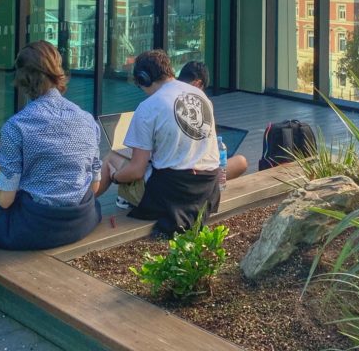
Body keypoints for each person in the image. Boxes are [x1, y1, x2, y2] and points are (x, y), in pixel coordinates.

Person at [0, 40, 102, 250]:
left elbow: (5, 200)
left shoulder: (16, 127)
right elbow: (94, 185)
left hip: (35, 229)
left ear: (23, 79)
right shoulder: (87, 119)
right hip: (80, 222)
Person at [97, 49, 247, 235]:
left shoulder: (148, 107)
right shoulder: (201, 96)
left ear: (144, 79)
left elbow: (136, 171)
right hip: (207, 191)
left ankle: (83, 208)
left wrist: (116, 177)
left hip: (170, 197)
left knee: (112, 158)